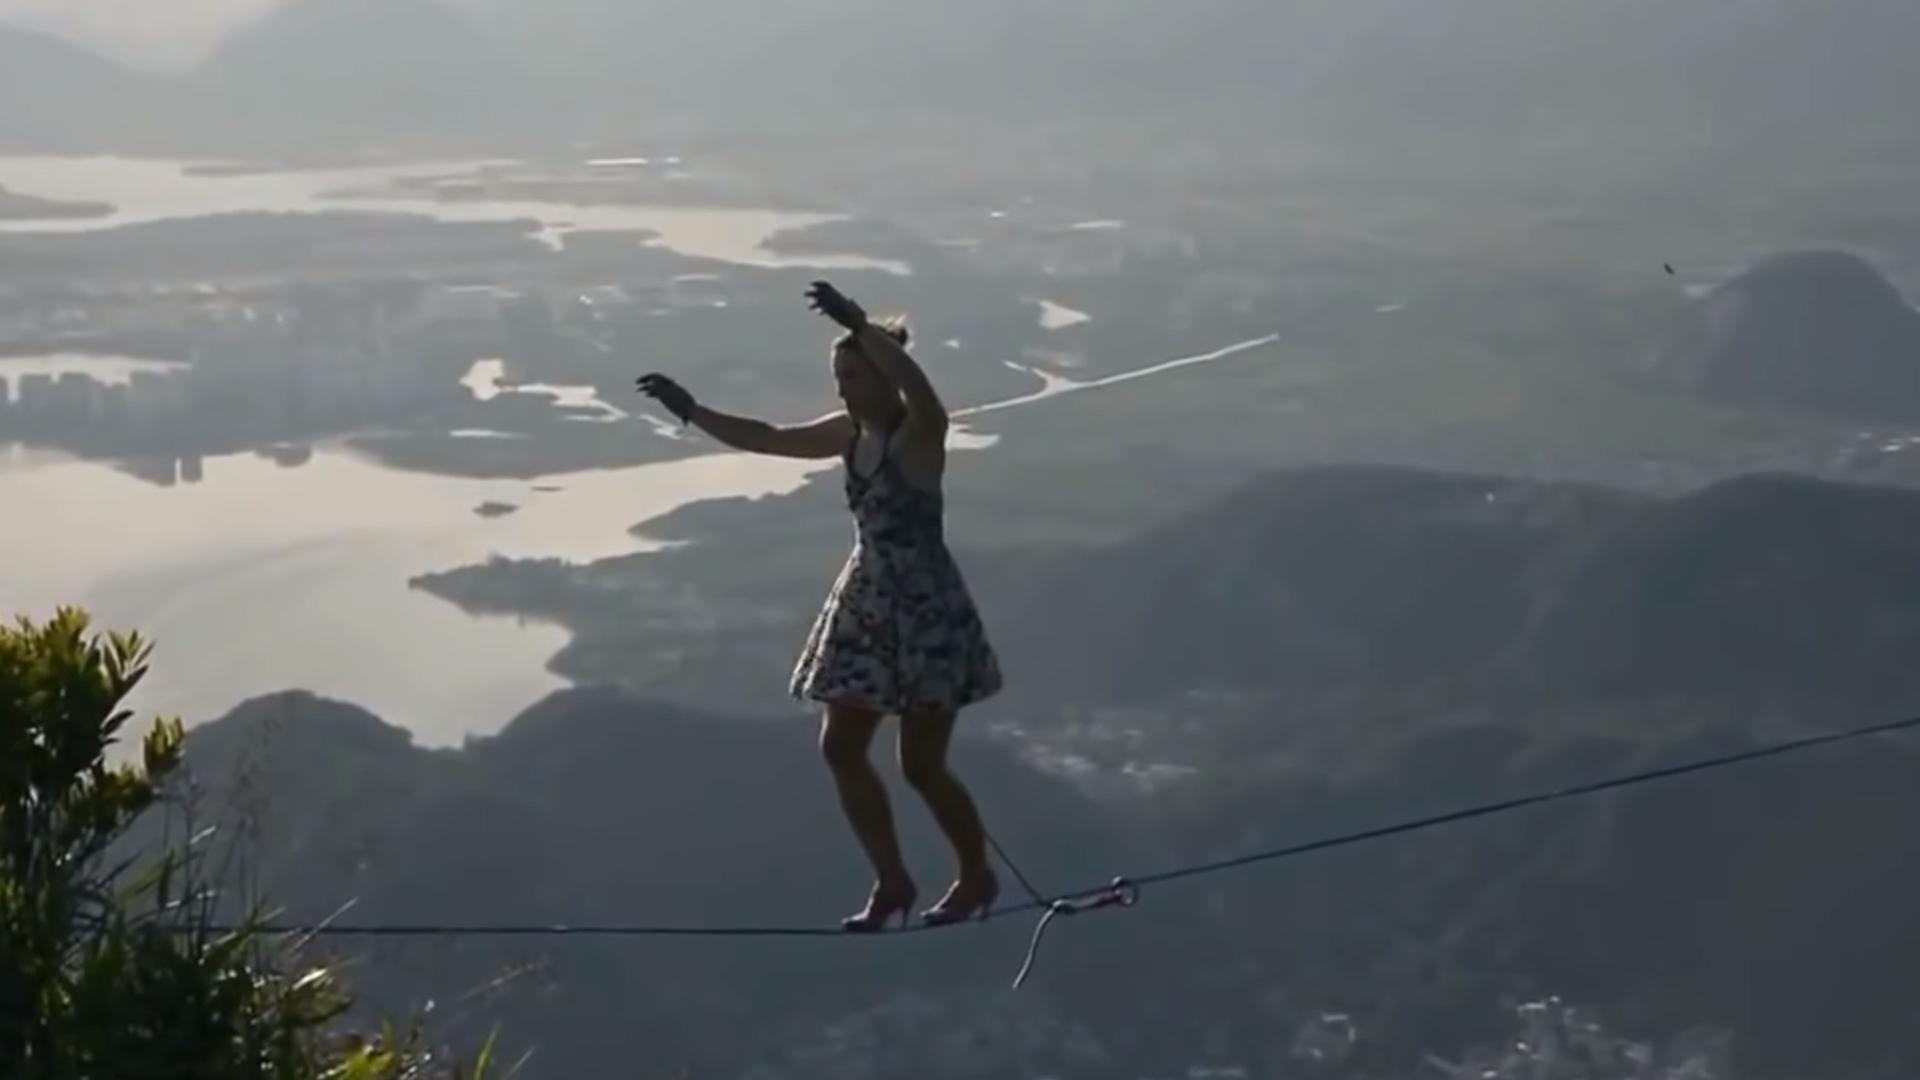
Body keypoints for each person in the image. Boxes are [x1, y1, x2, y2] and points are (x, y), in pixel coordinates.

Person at [636, 281, 1004, 930]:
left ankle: (975, 875)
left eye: (854, 377)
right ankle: (892, 879)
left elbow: (923, 395)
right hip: (869, 600)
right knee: (841, 746)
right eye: (839, 379)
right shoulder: (848, 435)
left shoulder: (919, 436)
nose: (843, 391)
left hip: (923, 609)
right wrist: (692, 410)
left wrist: (860, 325)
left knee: (921, 766)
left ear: (883, 376)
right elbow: (768, 437)